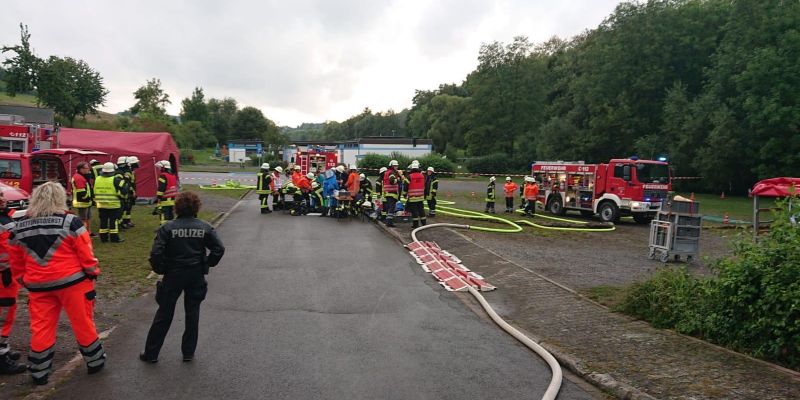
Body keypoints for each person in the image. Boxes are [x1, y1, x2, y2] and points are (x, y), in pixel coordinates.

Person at [9, 182, 105, 384]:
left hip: (38, 286)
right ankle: (95, 362)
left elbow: (15, 261)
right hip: (74, 284)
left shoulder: (19, 227)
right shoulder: (71, 222)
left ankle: (39, 371)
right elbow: (86, 254)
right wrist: (92, 272)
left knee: (41, 327)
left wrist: (24, 280)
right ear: (60, 198)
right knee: (83, 323)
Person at [140, 191, 225, 363]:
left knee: (164, 313)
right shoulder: (205, 227)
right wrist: (207, 263)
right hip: (195, 274)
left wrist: (161, 269)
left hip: (173, 274)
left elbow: (156, 253)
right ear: (197, 207)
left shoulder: (167, 228)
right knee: (192, 313)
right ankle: (188, 352)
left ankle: (151, 353)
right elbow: (219, 249)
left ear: (177, 207)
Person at [0, 191, 25, 375]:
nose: (3, 199)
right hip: (3, 275)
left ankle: (4, 349)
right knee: (2, 317)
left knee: (7, 314)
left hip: (9, 274)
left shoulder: (5, 217)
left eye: (1, 195)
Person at [94, 162, 127, 243]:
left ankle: (103, 238)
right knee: (113, 221)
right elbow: (124, 190)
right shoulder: (116, 179)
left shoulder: (97, 179)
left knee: (103, 221)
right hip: (114, 204)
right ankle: (114, 238)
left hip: (101, 204)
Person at [71, 162, 95, 237]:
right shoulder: (78, 177)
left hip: (86, 202)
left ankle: (88, 232)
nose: (89, 170)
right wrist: (88, 198)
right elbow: (81, 192)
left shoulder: (82, 176)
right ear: (81, 169)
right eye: (87, 168)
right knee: (83, 219)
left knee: (87, 218)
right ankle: (83, 235)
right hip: (82, 202)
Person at [405, 162, 427, 228]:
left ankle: (415, 225)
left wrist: (404, 194)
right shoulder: (422, 176)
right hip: (420, 196)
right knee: (421, 210)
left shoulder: (409, 176)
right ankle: (424, 223)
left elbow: (406, 186)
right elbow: (424, 185)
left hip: (412, 197)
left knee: (414, 211)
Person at [121, 156, 140, 229]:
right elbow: (127, 183)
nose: (138, 164)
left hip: (131, 191)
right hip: (128, 191)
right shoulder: (127, 172)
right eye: (136, 162)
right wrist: (132, 190)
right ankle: (124, 221)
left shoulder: (132, 171)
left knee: (129, 207)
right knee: (126, 207)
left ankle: (128, 220)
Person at [383, 160, 402, 227]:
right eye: (395, 166)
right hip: (392, 193)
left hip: (388, 193)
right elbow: (391, 181)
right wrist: (398, 179)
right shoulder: (391, 172)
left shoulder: (387, 172)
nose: (396, 167)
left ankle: (388, 221)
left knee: (389, 208)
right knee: (392, 208)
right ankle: (389, 222)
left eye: (397, 166)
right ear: (391, 166)